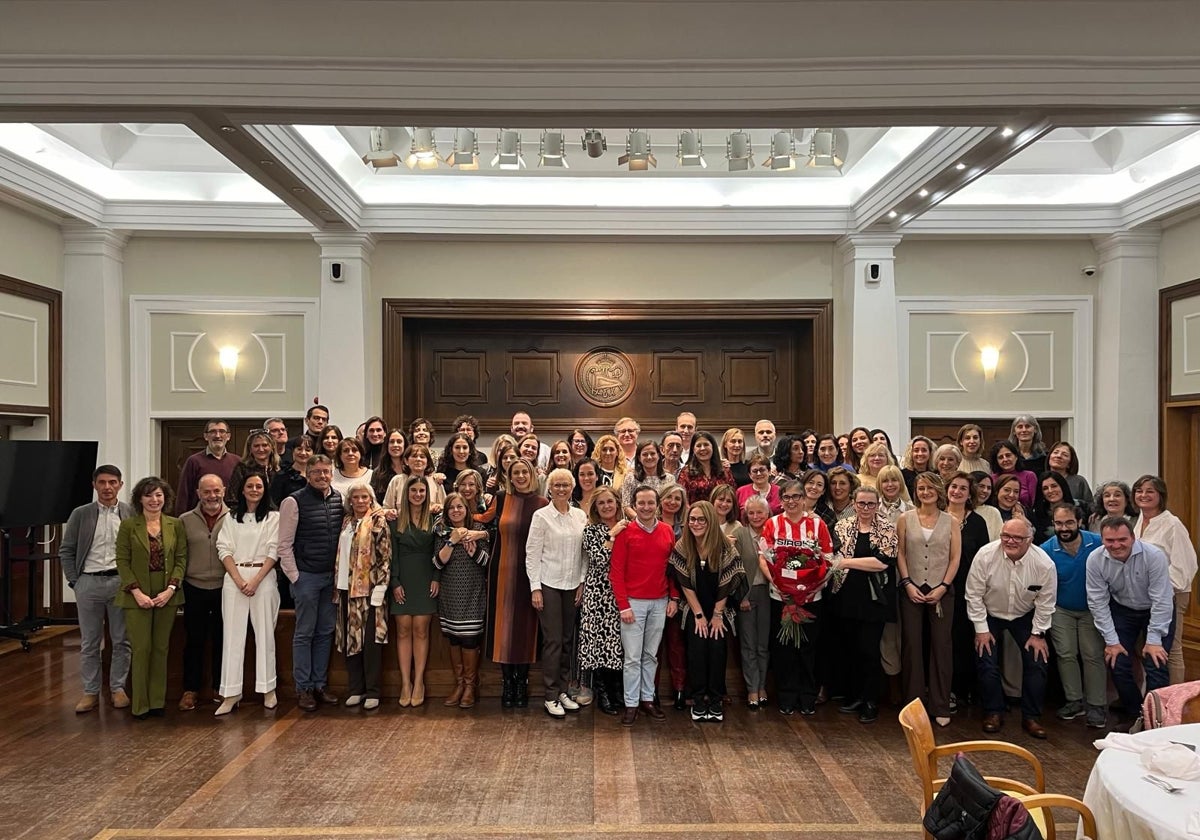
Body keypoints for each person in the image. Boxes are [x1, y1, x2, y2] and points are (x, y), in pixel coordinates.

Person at [966, 517, 1057, 738]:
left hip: (1024, 614)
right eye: (1006, 536)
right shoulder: (985, 555)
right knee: (986, 658)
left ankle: (1031, 717)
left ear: (1030, 539)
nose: (1010, 541)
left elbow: (1046, 602)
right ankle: (993, 712)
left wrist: (1038, 633)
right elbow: (974, 594)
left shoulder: (1044, 564)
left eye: (1018, 537)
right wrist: (981, 629)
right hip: (990, 613)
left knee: (1037, 659)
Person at [1086, 516, 1176, 727]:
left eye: (1122, 540)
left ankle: (1156, 721)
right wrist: (1111, 640)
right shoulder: (1095, 559)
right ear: (1102, 540)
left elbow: (1161, 600)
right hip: (1123, 609)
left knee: (1156, 663)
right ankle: (1137, 713)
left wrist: (1154, 640)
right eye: (1110, 540)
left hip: (1156, 608)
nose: (1116, 545)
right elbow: (1097, 601)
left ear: (1133, 538)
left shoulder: (1154, 556)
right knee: (1117, 661)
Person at [60, 465, 133, 713]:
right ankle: (90, 692)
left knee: (122, 640)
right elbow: (66, 550)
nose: (107, 487)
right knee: (90, 642)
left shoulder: (129, 513)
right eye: (102, 482)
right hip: (88, 583)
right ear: (94, 485)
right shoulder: (81, 514)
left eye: (112, 482)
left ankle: (117, 688)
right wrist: (75, 581)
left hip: (120, 583)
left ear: (120, 485)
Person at [115, 476, 188, 718]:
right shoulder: (128, 526)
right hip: (137, 594)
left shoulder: (175, 525)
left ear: (165, 498)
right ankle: (140, 705)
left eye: (158, 495)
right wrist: (136, 591)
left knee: (161, 648)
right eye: (148, 495)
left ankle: (157, 702)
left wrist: (171, 590)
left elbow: (181, 559)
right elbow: (122, 562)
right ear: (139, 499)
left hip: (167, 593)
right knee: (141, 648)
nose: (154, 500)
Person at [760, 478, 833, 716]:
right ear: (780, 501)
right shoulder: (772, 524)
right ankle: (787, 696)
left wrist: (814, 585)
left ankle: (807, 696)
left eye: (796, 497)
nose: (791, 502)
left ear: (804, 499)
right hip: (781, 597)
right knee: (784, 649)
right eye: (787, 497)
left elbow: (828, 558)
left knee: (808, 648)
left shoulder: (817, 523)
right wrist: (778, 585)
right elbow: (765, 558)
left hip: (812, 597)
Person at [277, 455, 342, 712]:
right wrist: (296, 577)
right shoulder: (293, 501)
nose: (322, 476)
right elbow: (284, 545)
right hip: (306, 577)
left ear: (332, 473)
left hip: (330, 578)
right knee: (304, 633)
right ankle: (303, 687)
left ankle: (319, 684)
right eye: (316, 472)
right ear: (307, 473)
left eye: (326, 471)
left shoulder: (338, 499)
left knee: (325, 631)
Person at [669, 500, 744, 723]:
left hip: (720, 607)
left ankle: (716, 698)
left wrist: (717, 615)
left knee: (717, 647)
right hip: (694, 608)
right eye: (692, 519)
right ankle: (699, 697)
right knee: (697, 648)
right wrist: (700, 615)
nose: (696, 523)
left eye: (701, 519)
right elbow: (685, 584)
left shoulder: (724, 546)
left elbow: (728, 582)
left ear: (710, 521)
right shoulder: (683, 545)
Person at [896, 472, 960, 727]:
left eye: (930, 488)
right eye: (921, 488)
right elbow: (900, 553)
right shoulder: (905, 519)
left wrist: (944, 586)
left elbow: (955, 557)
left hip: (941, 590)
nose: (925, 492)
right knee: (912, 645)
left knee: (941, 646)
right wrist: (907, 583)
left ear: (939, 491)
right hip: (911, 588)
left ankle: (940, 704)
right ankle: (913, 707)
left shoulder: (951, 521)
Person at [610, 485, 678, 726]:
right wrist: (623, 605)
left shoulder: (667, 531)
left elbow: (672, 570)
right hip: (633, 604)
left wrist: (674, 598)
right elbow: (616, 572)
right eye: (642, 503)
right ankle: (631, 704)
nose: (646, 507)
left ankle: (647, 699)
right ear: (634, 506)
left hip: (660, 602)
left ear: (657, 504)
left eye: (651, 503)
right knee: (632, 657)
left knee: (651, 655)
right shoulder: (625, 533)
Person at [214, 471, 280, 715]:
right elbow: (224, 549)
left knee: (265, 635)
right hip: (235, 580)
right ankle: (231, 693)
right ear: (242, 490)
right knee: (232, 637)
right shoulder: (231, 517)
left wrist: (255, 580)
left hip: (263, 579)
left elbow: (274, 551)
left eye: (259, 486)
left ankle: (268, 690)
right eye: (250, 486)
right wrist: (240, 580)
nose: (254, 490)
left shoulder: (274, 517)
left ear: (265, 490)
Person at [486, 457, 549, 707]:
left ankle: (521, 684)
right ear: (510, 476)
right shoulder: (501, 499)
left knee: (525, 629)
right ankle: (507, 684)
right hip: (501, 572)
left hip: (531, 575)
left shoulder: (543, 503)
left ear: (532, 474)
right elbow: (481, 519)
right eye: (516, 473)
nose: (521, 476)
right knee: (503, 629)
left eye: (525, 472)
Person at [831, 485, 897, 724]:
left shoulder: (888, 527)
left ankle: (871, 700)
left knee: (869, 650)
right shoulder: (842, 526)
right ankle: (855, 695)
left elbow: (882, 562)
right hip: (846, 596)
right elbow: (833, 559)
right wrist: (853, 563)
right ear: (854, 504)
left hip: (874, 600)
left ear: (878, 505)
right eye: (861, 503)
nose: (866, 508)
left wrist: (847, 562)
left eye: (871, 504)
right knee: (850, 649)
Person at [526, 468, 588, 718]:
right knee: (552, 641)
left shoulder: (580, 515)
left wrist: (582, 582)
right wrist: (535, 587)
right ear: (549, 488)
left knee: (566, 640)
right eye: (557, 485)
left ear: (572, 488)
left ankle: (563, 690)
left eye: (566, 485)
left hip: (573, 583)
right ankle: (550, 695)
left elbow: (584, 553)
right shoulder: (541, 516)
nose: (561, 489)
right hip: (548, 583)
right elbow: (532, 553)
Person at [1040, 501, 1106, 728]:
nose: (1064, 527)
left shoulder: (1097, 543)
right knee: (1066, 653)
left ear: (1079, 521)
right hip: (1061, 610)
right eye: (1059, 523)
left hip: (1092, 609)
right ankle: (1074, 701)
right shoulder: (1046, 550)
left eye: (1069, 522)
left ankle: (1097, 705)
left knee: (1092, 654)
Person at [1131, 475, 1198, 686]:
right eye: (1139, 490)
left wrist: (1162, 590)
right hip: (1145, 594)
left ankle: (1176, 705)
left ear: (1161, 495)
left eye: (1150, 491)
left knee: (1172, 649)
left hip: (1172, 593)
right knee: (1147, 647)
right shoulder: (1139, 521)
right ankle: (1150, 701)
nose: (1143, 495)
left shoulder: (1172, 524)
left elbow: (1185, 566)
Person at [334, 482, 390, 711]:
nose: (359, 501)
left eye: (363, 497)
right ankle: (356, 689)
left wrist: (381, 587)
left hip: (369, 590)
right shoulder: (347, 521)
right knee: (350, 640)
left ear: (371, 499)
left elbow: (385, 555)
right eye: (355, 497)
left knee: (370, 642)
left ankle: (373, 691)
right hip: (346, 588)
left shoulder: (378, 521)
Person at [433, 492, 491, 709]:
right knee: (454, 639)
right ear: (447, 512)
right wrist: (452, 541)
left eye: (460, 507)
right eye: (451, 508)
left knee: (470, 640)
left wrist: (474, 549)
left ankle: (469, 686)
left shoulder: (477, 532)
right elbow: (437, 563)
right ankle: (458, 684)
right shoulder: (441, 532)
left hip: (473, 595)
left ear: (467, 510)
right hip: (449, 595)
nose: (456, 511)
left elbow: (486, 562)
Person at [176, 473, 228, 712]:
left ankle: (220, 687)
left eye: (216, 491)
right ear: (198, 494)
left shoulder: (234, 518)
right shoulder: (184, 520)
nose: (212, 496)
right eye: (206, 491)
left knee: (221, 639)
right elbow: (179, 555)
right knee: (194, 640)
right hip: (193, 587)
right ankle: (190, 690)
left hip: (224, 586)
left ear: (224, 491)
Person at [944, 471, 991, 713]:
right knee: (946, 640)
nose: (957, 491)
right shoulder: (939, 518)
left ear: (969, 494)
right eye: (953, 487)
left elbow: (984, 559)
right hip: (942, 587)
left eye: (963, 488)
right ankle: (948, 690)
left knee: (966, 639)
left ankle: (967, 688)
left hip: (970, 589)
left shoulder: (977, 522)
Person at [389, 475, 438, 707]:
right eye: (414, 491)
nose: (418, 495)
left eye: (422, 491)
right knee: (403, 629)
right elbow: (392, 555)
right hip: (402, 579)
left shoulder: (434, 518)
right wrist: (395, 582)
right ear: (406, 494)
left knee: (421, 629)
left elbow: (439, 550)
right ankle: (405, 683)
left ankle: (419, 681)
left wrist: (436, 578)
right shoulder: (396, 520)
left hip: (426, 577)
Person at [578, 487, 626, 716]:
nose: (607, 506)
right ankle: (602, 693)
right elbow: (599, 560)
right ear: (595, 508)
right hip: (597, 594)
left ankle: (617, 690)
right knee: (598, 645)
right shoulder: (590, 531)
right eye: (601, 504)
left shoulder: (627, 527)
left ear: (617, 503)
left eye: (610, 501)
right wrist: (611, 535)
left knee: (616, 644)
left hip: (620, 594)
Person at [737, 496, 772, 708]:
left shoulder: (774, 532)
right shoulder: (740, 534)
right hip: (747, 595)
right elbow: (735, 568)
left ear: (767, 514)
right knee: (748, 644)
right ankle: (752, 688)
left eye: (760, 512)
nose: (756, 517)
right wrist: (741, 596)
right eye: (752, 513)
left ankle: (762, 686)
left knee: (763, 645)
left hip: (769, 594)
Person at [175, 419, 241, 514]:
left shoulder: (237, 461)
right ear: (206, 436)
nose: (217, 435)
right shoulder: (194, 461)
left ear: (228, 436)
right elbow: (183, 494)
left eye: (222, 431)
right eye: (213, 431)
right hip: (200, 519)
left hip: (231, 519)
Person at [677, 430, 734, 505]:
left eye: (706, 444)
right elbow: (682, 499)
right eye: (698, 445)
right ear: (693, 449)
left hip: (720, 514)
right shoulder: (686, 472)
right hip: (695, 515)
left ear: (713, 447)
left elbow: (732, 496)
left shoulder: (724, 470)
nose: (702, 448)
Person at [226, 429, 280, 505]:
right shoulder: (242, 469)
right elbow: (232, 498)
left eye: (265, 445)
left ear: (272, 447)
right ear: (250, 449)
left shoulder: (279, 469)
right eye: (256, 446)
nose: (261, 449)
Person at [621, 439, 670, 517]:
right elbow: (626, 505)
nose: (649, 457)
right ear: (639, 458)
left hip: (663, 522)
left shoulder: (669, 479)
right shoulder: (630, 478)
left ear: (658, 456)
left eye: (652, 453)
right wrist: (643, 522)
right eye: (645, 454)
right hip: (638, 523)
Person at [1046, 441, 1091, 518]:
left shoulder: (1079, 481)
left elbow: (1090, 506)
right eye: (1056, 452)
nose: (1059, 456)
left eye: (1065, 455)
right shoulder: (1041, 480)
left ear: (1070, 463)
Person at [989, 439, 1037, 510]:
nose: (1005, 459)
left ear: (1016, 457)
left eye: (1008, 455)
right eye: (1000, 457)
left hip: (1024, 515)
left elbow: (1032, 503)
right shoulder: (992, 479)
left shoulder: (1029, 476)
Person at [1031, 471, 1073, 543]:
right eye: (1045, 488)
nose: (1050, 491)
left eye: (1054, 486)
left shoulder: (1082, 507)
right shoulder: (1037, 515)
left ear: (1062, 486)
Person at [736, 452, 781, 517]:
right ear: (749, 474)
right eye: (755, 471)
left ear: (769, 471)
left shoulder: (780, 491)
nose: (759, 473)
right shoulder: (741, 492)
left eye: (762, 470)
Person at [370, 429, 406, 503]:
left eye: (399, 442)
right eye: (392, 442)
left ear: (405, 445)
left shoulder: (412, 469)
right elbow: (373, 498)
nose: (395, 445)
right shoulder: (378, 472)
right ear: (387, 445)